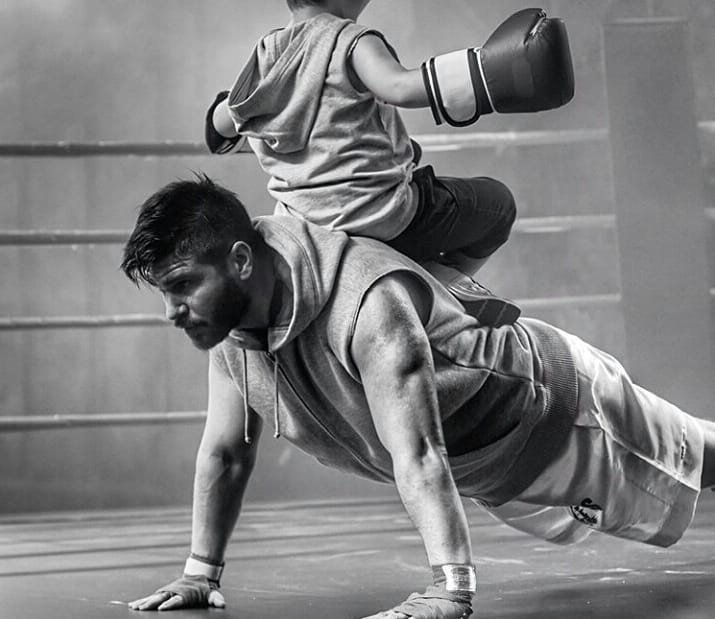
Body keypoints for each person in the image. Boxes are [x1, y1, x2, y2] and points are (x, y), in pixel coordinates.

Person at [122, 176, 714, 618]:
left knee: (708, 461)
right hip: (497, 470)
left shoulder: (367, 302)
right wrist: (200, 572)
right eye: (164, 294)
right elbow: (226, 453)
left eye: (183, 286)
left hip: (564, 415)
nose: (173, 312)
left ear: (241, 261)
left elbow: (419, 451)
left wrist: (450, 587)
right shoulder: (233, 335)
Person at [205, 0, 575, 327]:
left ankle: (419, 279)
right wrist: (488, 73)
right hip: (379, 215)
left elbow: (220, 126)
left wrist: (229, 117)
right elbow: (398, 86)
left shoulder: (266, 55)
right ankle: (443, 286)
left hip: (304, 221)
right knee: (496, 205)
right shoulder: (349, 39)